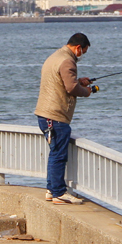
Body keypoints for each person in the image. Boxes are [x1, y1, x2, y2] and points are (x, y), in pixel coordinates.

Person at [34, 32, 95, 205]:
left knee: (55, 153)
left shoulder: (55, 56)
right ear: (78, 48)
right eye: (83, 51)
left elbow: (64, 81)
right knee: (59, 155)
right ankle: (59, 193)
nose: (82, 55)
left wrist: (79, 81)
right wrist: (86, 91)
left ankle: (51, 189)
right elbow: (71, 88)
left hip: (44, 114)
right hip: (56, 116)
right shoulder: (68, 61)